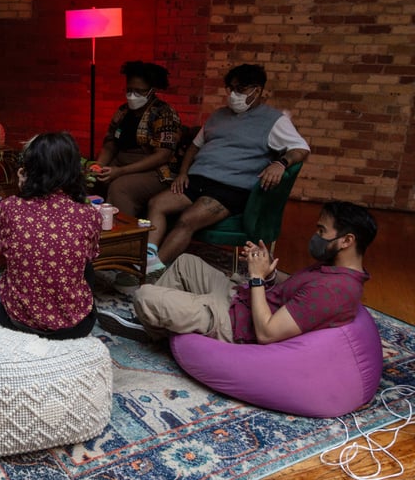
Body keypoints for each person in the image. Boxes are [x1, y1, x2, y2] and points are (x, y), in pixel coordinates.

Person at [99, 201, 376, 345]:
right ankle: (160, 327)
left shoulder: (334, 291)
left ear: (346, 240)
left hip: (236, 324)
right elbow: (295, 291)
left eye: (321, 231)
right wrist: (267, 273)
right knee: (185, 262)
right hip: (239, 300)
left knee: (146, 295)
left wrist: (255, 278)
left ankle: (164, 325)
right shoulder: (333, 270)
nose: (315, 236)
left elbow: (267, 333)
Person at [142, 63, 310, 275]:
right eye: (230, 88)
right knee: (156, 204)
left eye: (240, 89)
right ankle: (149, 255)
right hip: (198, 180)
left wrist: (281, 163)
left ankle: (154, 272)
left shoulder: (274, 120)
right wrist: (184, 172)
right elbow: (195, 145)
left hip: (230, 187)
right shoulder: (219, 115)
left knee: (187, 220)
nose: (233, 95)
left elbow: (301, 148)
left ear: (256, 90)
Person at [0, 132, 102, 339]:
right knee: (85, 264)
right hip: (73, 327)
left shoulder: (9, 207)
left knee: (20, 255)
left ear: (30, 167)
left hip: (17, 321)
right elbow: (90, 254)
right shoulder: (89, 215)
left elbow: (2, 248)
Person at [92, 60, 182, 218]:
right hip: (120, 163)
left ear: (152, 91)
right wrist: (99, 165)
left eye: (139, 92)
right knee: (90, 181)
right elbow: (110, 144)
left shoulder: (163, 113)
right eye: (129, 90)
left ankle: (125, 237)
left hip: (155, 171)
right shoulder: (123, 111)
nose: (132, 96)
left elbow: (162, 155)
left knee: (120, 187)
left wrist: (120, 172)